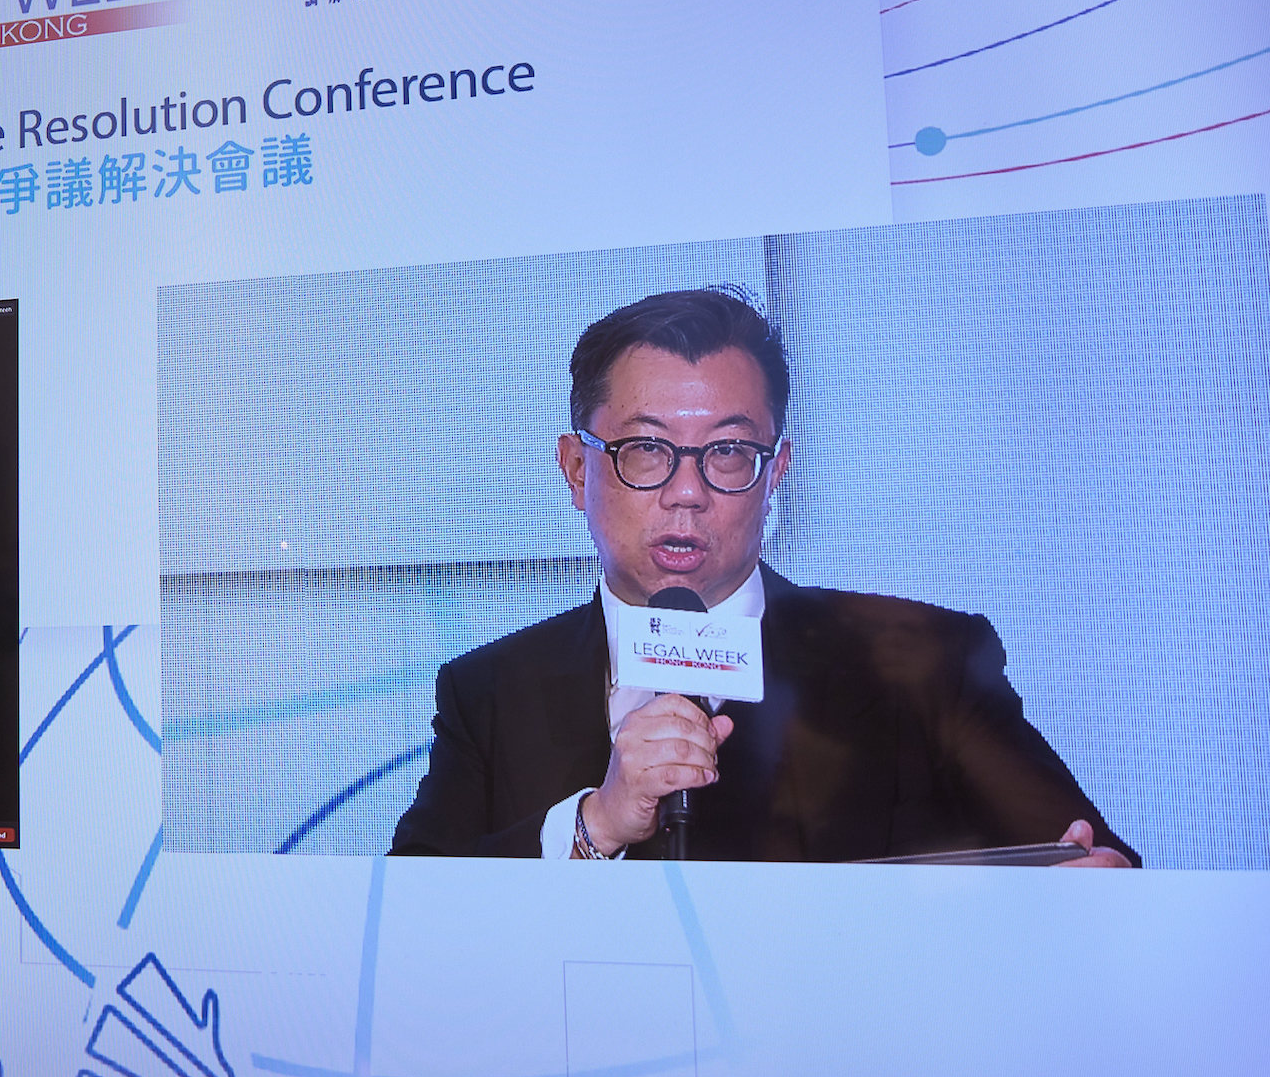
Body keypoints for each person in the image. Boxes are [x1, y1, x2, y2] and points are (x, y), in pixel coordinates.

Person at [389, 287, 1136, 866]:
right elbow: (406, 923)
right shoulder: (490, 692)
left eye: (727, 452)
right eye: (646, 449)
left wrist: (1089, 884)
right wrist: (598, 823)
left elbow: (1093, 861)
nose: (687, 493)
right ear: (577, 468)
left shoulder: (924, 666)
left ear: (776, 471)